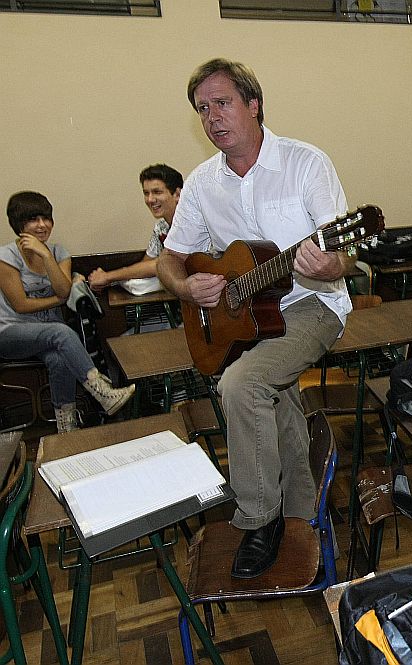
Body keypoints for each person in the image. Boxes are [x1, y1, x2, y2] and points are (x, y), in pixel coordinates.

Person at [157, 58, 354, 579]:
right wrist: (186, 285)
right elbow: (170, 260)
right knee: (275, 400)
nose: (212, 117)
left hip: (313, 303)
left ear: (253, 104)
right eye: (203, 109)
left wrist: (331, 261)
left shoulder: (306, 163)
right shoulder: (201, 183)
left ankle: (258, 518)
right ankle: (302, 511)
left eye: (222, 103)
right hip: (249, 314)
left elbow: (345, 255)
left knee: (243, 384)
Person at [0, 192, 135, 433]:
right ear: (19, 224)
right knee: (61, 332)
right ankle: (102, 392)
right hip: (10, 332)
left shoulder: (58, 252)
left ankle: (67, 427)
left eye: (47, 218)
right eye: (34, 219)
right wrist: (57, 298)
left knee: (59, 359)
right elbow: (21, 305)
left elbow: (63, 289)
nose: (42, 225)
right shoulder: (6, 257)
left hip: (48, 335)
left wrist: (45, 255)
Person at [88, 164, 184, 296]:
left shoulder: (190, 224)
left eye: (157, 192)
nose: (150, 199)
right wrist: (106, 280)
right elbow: (146, 264)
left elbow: (159, 265)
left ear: (177, 194)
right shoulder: (160, 227)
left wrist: (108, 276)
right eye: (146, 193)